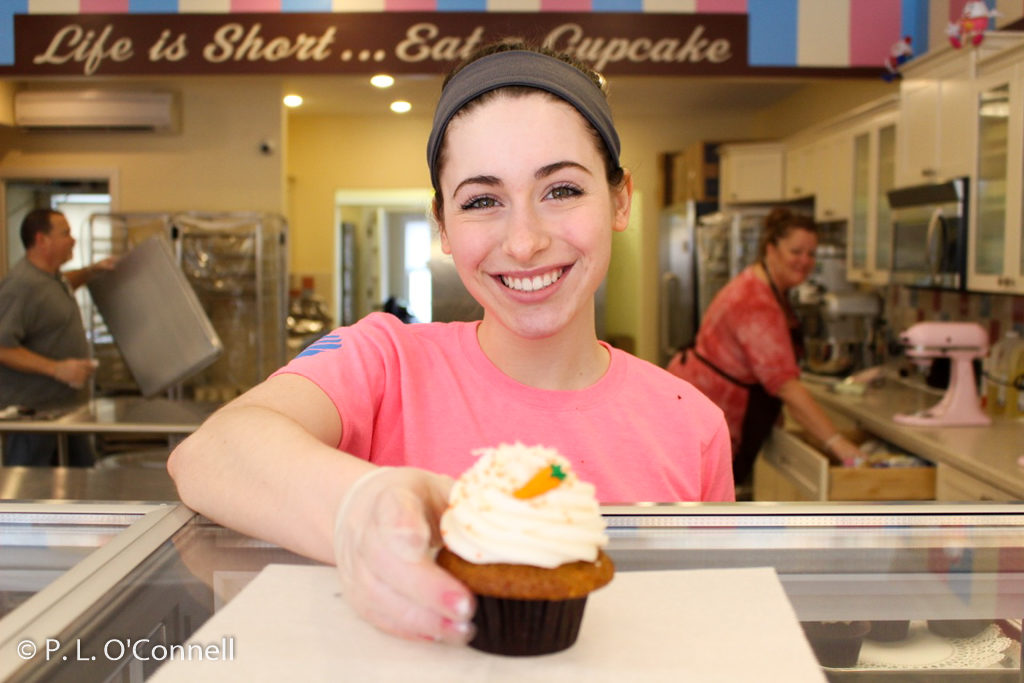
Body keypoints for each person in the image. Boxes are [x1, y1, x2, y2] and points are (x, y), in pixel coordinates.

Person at [168, 41, 733, 647]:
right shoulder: (384, 361)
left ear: (619, 200)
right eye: (482, 201)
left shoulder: (691, 425)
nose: (524, 242)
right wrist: (361, 507)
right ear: (442, 225)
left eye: (562, 190)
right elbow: (210, 454)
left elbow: (707, 628)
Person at [667, 208, 866, 487]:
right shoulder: (756, 302)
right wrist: (838, 443)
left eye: (811, 253)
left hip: (703, 404)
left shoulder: (763, 284)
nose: (805, 261)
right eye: (796, 251)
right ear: (770, 249)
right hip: (704, 416)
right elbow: (785, 386)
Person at [0, 208, 115, 466]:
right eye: (65, 234)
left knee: (82, 486)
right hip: (34, 418)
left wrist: (92, 271)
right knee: (32, 497)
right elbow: (3, 347)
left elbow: (59, 287)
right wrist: (57, 369)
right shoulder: (21, 285)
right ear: (42, 240)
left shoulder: (53, 279)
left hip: (64, 410)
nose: (72, 240)